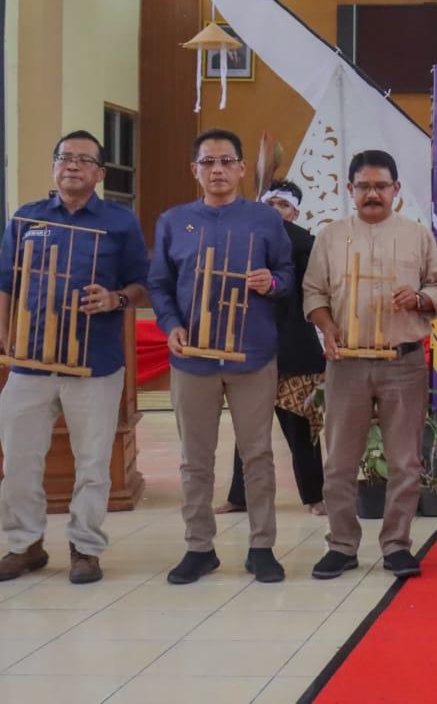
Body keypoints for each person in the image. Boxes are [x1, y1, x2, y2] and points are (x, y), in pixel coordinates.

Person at [0, 131, 149, 585]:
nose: (73, 166)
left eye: (85, 160)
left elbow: (142, 284)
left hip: (95, 363)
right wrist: (6, 342)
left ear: (100, 174)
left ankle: (86, 548)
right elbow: (6, 282)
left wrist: (115, 299)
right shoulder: (26, 218)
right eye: (65, 157)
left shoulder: (120, 222)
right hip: (29, 364)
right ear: (53, 166)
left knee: (92, 461)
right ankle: (24, 544)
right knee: (20, 460)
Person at [148, 128, 294, 584]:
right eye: (208, 162)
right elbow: (159, 283)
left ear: (241, 167)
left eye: (226, 161)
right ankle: (199, 547)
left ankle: (262, 545)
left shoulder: (265, 220)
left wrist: (271, 283)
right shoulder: (174, 221)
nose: (217, 170)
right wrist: (171, 325)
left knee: (258, 455)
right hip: (193, 358)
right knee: (196, 458)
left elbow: (288, 273)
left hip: (252, 355)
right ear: (195, 170)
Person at [305, 150, 437, 580]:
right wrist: (327, 327)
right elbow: (313, 293)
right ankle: (343, 545)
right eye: (364, 186)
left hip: (402, 362)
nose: (372, 194)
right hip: (346, 362)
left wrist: (420, 299)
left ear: (396, 191)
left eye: (381, 186)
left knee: (405, 461)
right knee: (339, 463)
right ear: (350, 190)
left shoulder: (416, 236)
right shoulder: (330, 237)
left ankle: (397, 545)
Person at [216, 179, 326, 518]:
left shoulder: (306, 243)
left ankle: (315, 495)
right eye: (270, 204)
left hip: (295, 351)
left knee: (300, 429)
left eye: (282, 205)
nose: (275, 211)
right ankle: (240, 496)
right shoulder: (244, 242)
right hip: (253, 348)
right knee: (248, 430)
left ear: (295, 212)